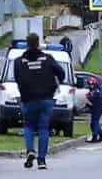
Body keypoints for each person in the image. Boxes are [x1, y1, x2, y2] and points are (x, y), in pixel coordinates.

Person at [13, 32, 65, 170]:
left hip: (28, 99)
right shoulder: (47, 59)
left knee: (29, 126)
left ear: (27, 44)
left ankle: (30, 150)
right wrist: (56, 84)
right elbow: (61, 73)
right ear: (38, 43)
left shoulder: (18, 62)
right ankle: (41, 160)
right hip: (46, 98)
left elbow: (17, 78)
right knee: (43, 128)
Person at [86, 77, 102, 143]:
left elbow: (92, 98)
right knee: (95, 123)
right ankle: (101, 136)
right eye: (89, 84)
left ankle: (95, 137)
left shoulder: (96, 91)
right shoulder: (93, 91)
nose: (90, 86)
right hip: (95, 108)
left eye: (92, 84)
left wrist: (88, 96)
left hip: (97, 108)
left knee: (94, 123)